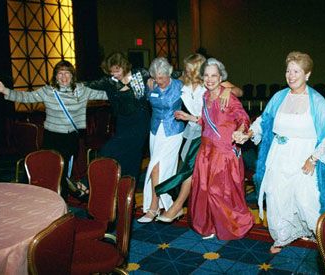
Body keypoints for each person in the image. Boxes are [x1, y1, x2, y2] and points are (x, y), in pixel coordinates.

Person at [245, 51, 325, 253]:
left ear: (307, 75)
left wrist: (314, 158)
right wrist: (249, 133)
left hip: (304, 156)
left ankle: (319, 234)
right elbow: (264, 121)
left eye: (296, 71)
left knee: (306, 198)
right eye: (288, 71)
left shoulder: (317, 101)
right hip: (279, 154)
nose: (291, 75)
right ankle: (282, 236)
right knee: (276, 195)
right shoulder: (279, 97)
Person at [0, 60, 108, 200]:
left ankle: (61, 200)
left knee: (63, 172)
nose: (64, 77)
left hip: (71, 138)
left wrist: (124, 88)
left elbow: (104, 95)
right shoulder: (48, 91)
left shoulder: (82, 90)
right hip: (52, 137)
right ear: (55, 76)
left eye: (67, 73)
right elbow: (26, 97)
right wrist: (4, 90)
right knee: (50, 170)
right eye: (60, 74)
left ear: (72, 76)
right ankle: (50, 198)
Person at [155, 53, 243, 223]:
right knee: (190, 169)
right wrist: (152, 80)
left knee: (191, 168)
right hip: (194, 127)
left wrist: (227, 90)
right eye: (186, 68)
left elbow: (239, 91)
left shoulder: (213, 82)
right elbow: (165, 77)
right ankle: (201, 210)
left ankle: (177, 207)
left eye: (189, 68)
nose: (186, 71)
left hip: (211, 134)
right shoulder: (184, 82)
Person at [174, 58, 254, 240]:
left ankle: (231, 225)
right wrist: (189, 117)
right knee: (204, 188)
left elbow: (243, 118)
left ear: (221, 78)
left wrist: (241, 130)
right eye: (207, 75)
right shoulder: (205, 96)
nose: (210, 79)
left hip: (224, 151)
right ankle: (209, 225)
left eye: (214, 76)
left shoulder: (229, 97)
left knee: (219, 191)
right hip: (206, 150)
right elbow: (206, 122)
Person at [68, 52, 151, 199]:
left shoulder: (141, 74)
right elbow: (88, 84)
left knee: (109, 149)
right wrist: (68, 82)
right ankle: (123, 194)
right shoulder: (110, 81)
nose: (115, 75)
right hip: (122, 124)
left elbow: (164, 74)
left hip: (140, 123)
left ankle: (85, 183)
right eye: (112, 72)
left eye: (117, 71)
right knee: (129, 159)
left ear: (124, 66)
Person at [137, 57, 185, 223]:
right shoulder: (151, 85)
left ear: (169, 74)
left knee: (156, 167)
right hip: (156, 131)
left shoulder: (179, 85)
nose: (160, 81)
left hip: (174, 132)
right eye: (156, 78)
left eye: (162, 78)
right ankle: (167, 205)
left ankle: (153, 206)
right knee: (159, 168)